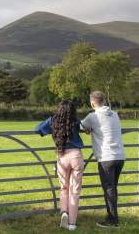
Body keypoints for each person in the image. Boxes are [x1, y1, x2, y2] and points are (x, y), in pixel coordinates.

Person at [35, 100, 85, 231]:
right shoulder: (75, 121)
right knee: (75, 191)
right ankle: (72, 224)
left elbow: (38, 129)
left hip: (61, 156)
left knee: (64, 188)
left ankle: (64, 213)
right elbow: (85, 128)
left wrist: (51, 124)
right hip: (76, 156)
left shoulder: (53, 120)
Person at [81, 91, 126, 229]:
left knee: (109, 188)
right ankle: (111, 216)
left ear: (92, 103)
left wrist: (88, 130)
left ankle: (113, 220)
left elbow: (80, 126)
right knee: (112, 188)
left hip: (106, 157)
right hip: (120, 156)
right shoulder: (115, 114)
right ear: (105, 101)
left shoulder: (92, 116)